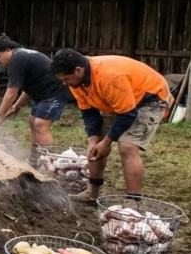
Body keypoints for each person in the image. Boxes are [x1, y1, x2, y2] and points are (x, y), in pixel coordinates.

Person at [50, 48, 172, 203]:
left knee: (127, 147)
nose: (64, 83)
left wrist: (107, 143)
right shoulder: (76, 83)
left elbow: (128, 114)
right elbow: (89, 113)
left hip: (150, 98)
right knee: (95, 147)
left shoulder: (109, 76)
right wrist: (93, 140)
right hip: (119, 100)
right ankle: (92, 193)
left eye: (66, 79)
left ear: (78, 70)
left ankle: (133, 203)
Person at [0, 36, 73, 166]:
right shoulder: (20, 56)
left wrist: (0, 116)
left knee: (40, 124)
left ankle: (47, 163)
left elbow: (11, 93)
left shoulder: (17, 59)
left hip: (54, 92)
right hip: (41, 94)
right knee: (32, 120)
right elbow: (29, 85)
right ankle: (34, 160)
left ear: (8, 50)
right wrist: (17, 104)